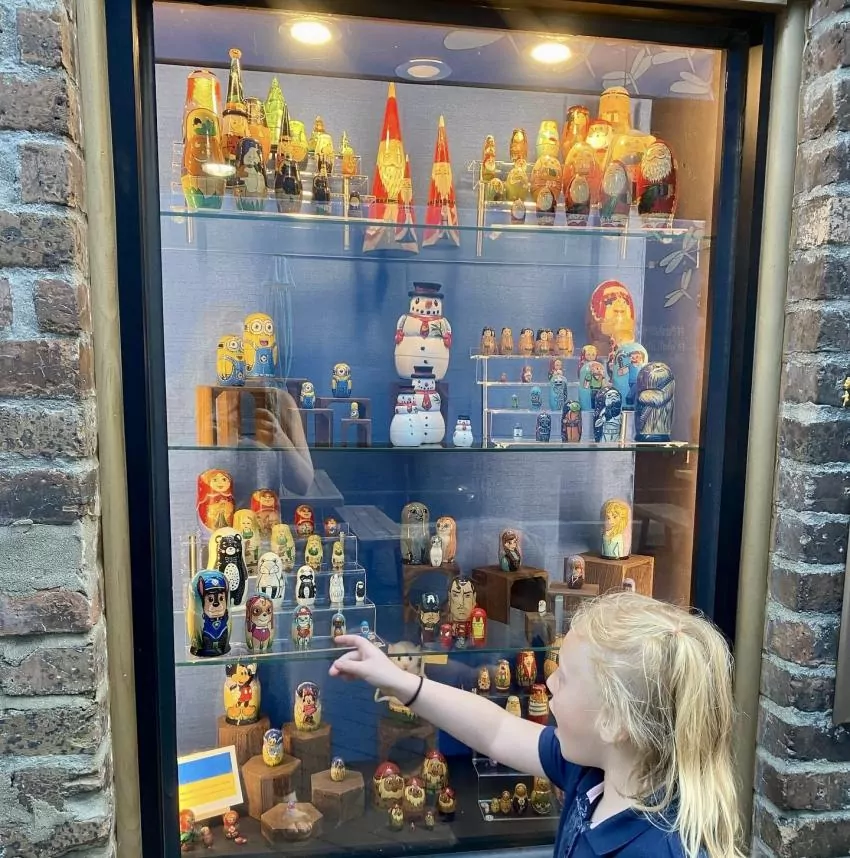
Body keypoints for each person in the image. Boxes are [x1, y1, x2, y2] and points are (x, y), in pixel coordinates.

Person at [330, 592, 742, 858]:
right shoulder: (593, 773)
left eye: (566, 676)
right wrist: (399, 681)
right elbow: (497, 730)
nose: (550, 682)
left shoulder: (660, 849)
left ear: (614, 721)